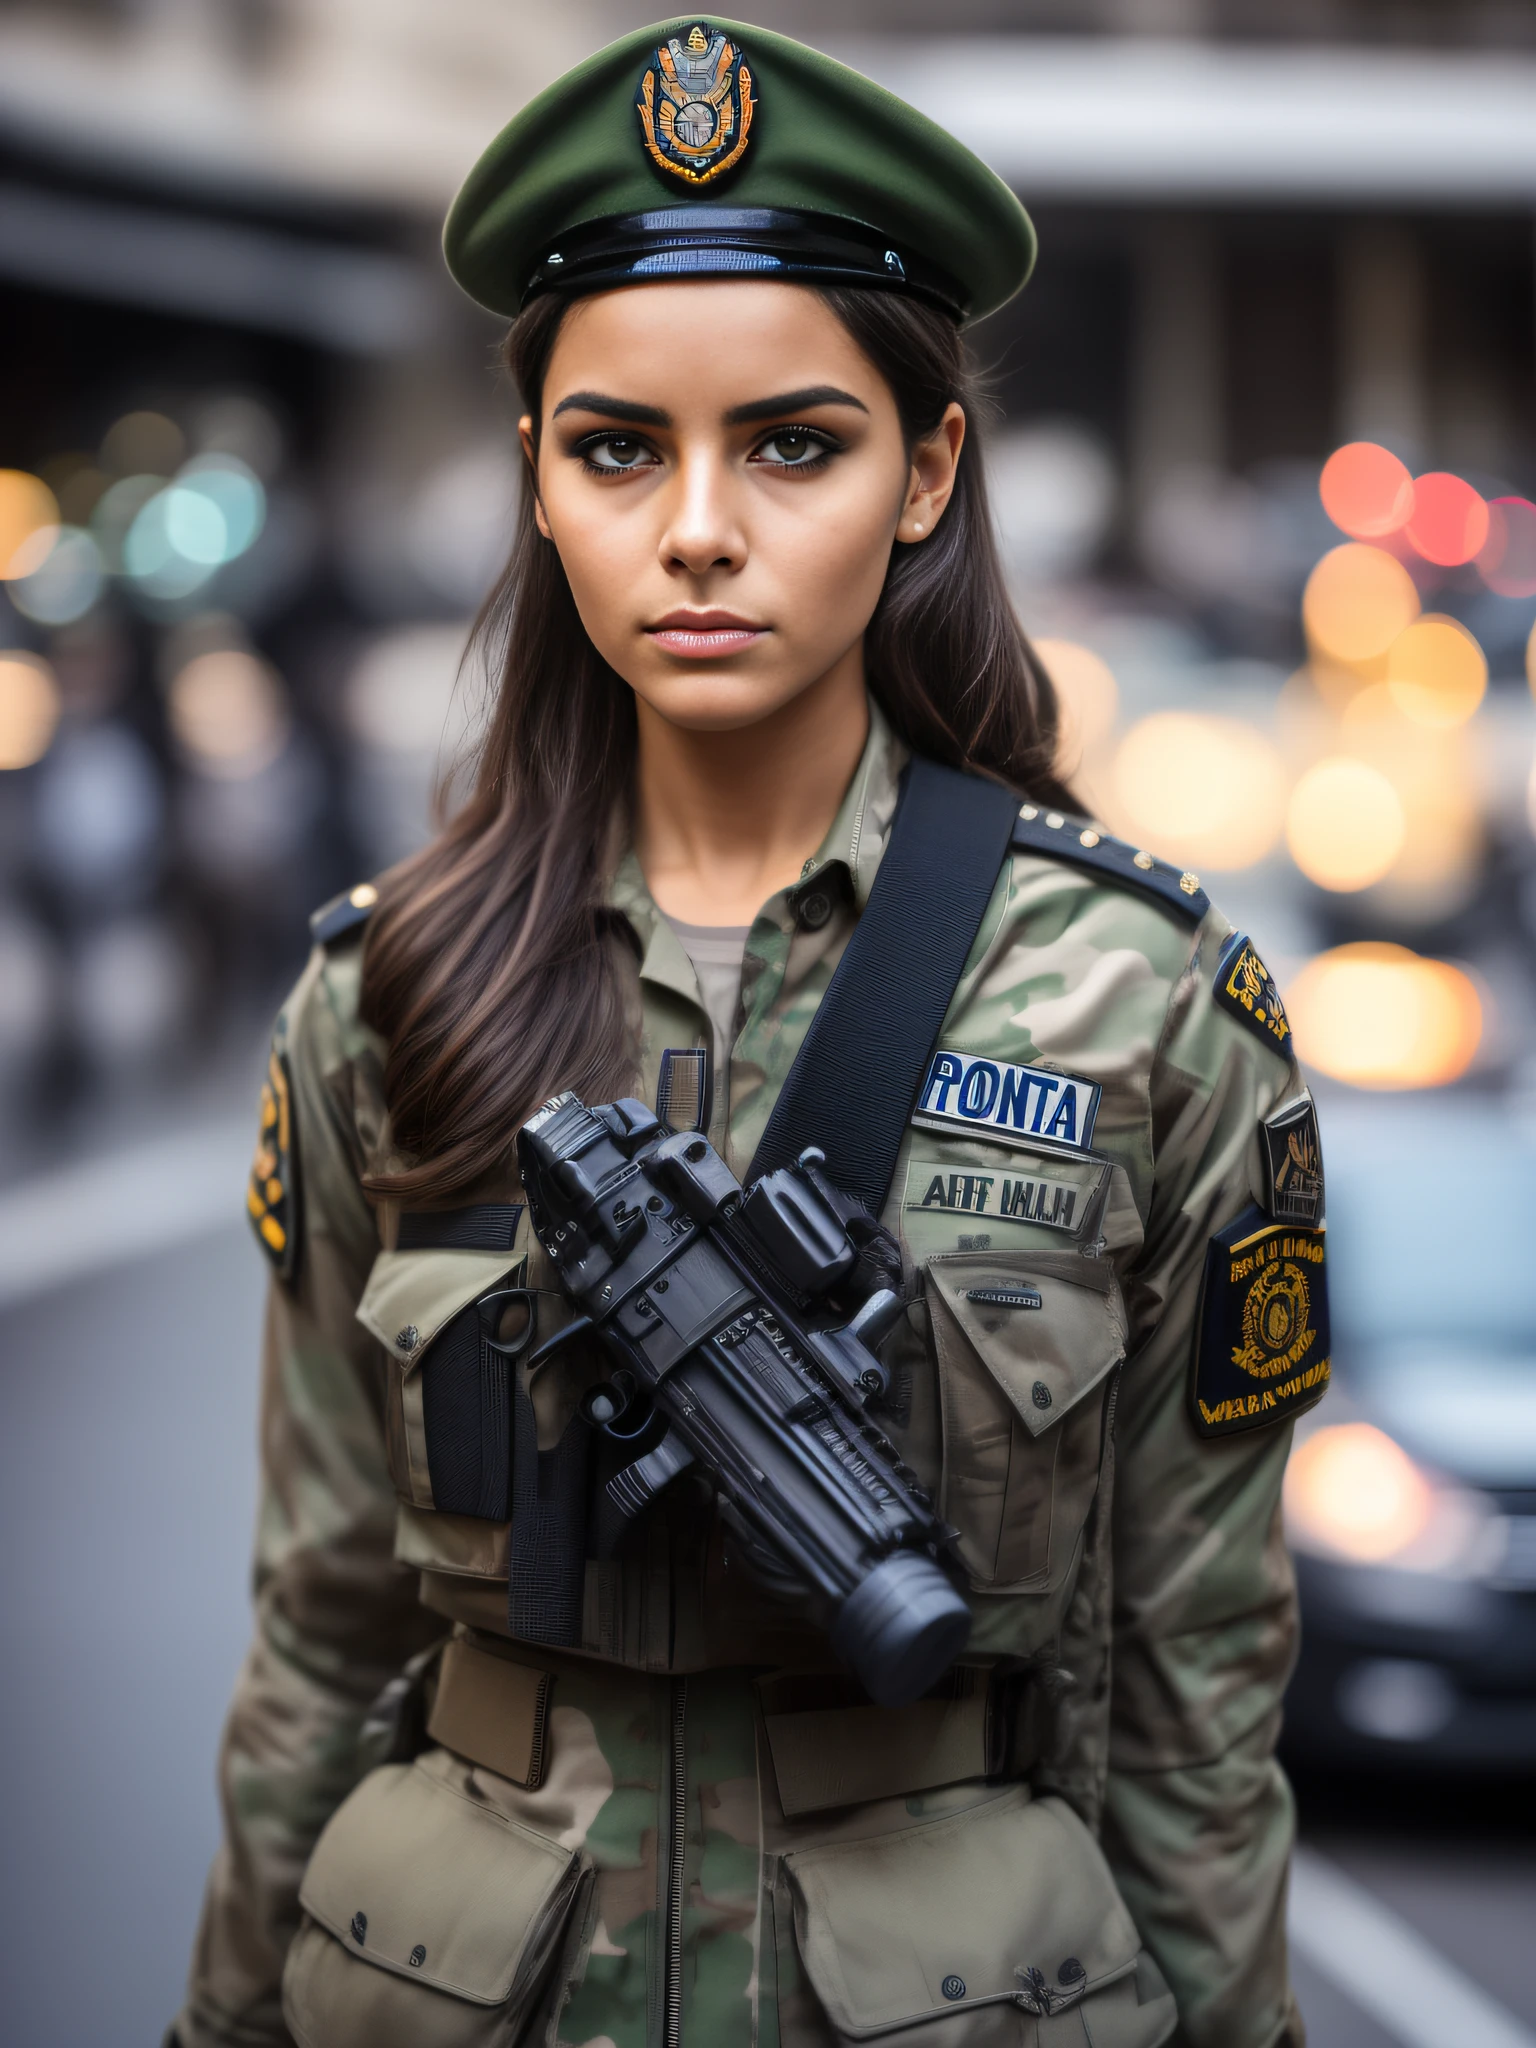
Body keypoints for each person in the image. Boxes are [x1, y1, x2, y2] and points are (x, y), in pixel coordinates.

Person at [177, 17, 1329, 2048]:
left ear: (928, 469)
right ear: (536, 474)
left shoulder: (1139, 1007)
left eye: (793, 442)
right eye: (619, 445)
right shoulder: (392, 993)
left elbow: (1196, 1701)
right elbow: (316, 1633)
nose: (697, 528)